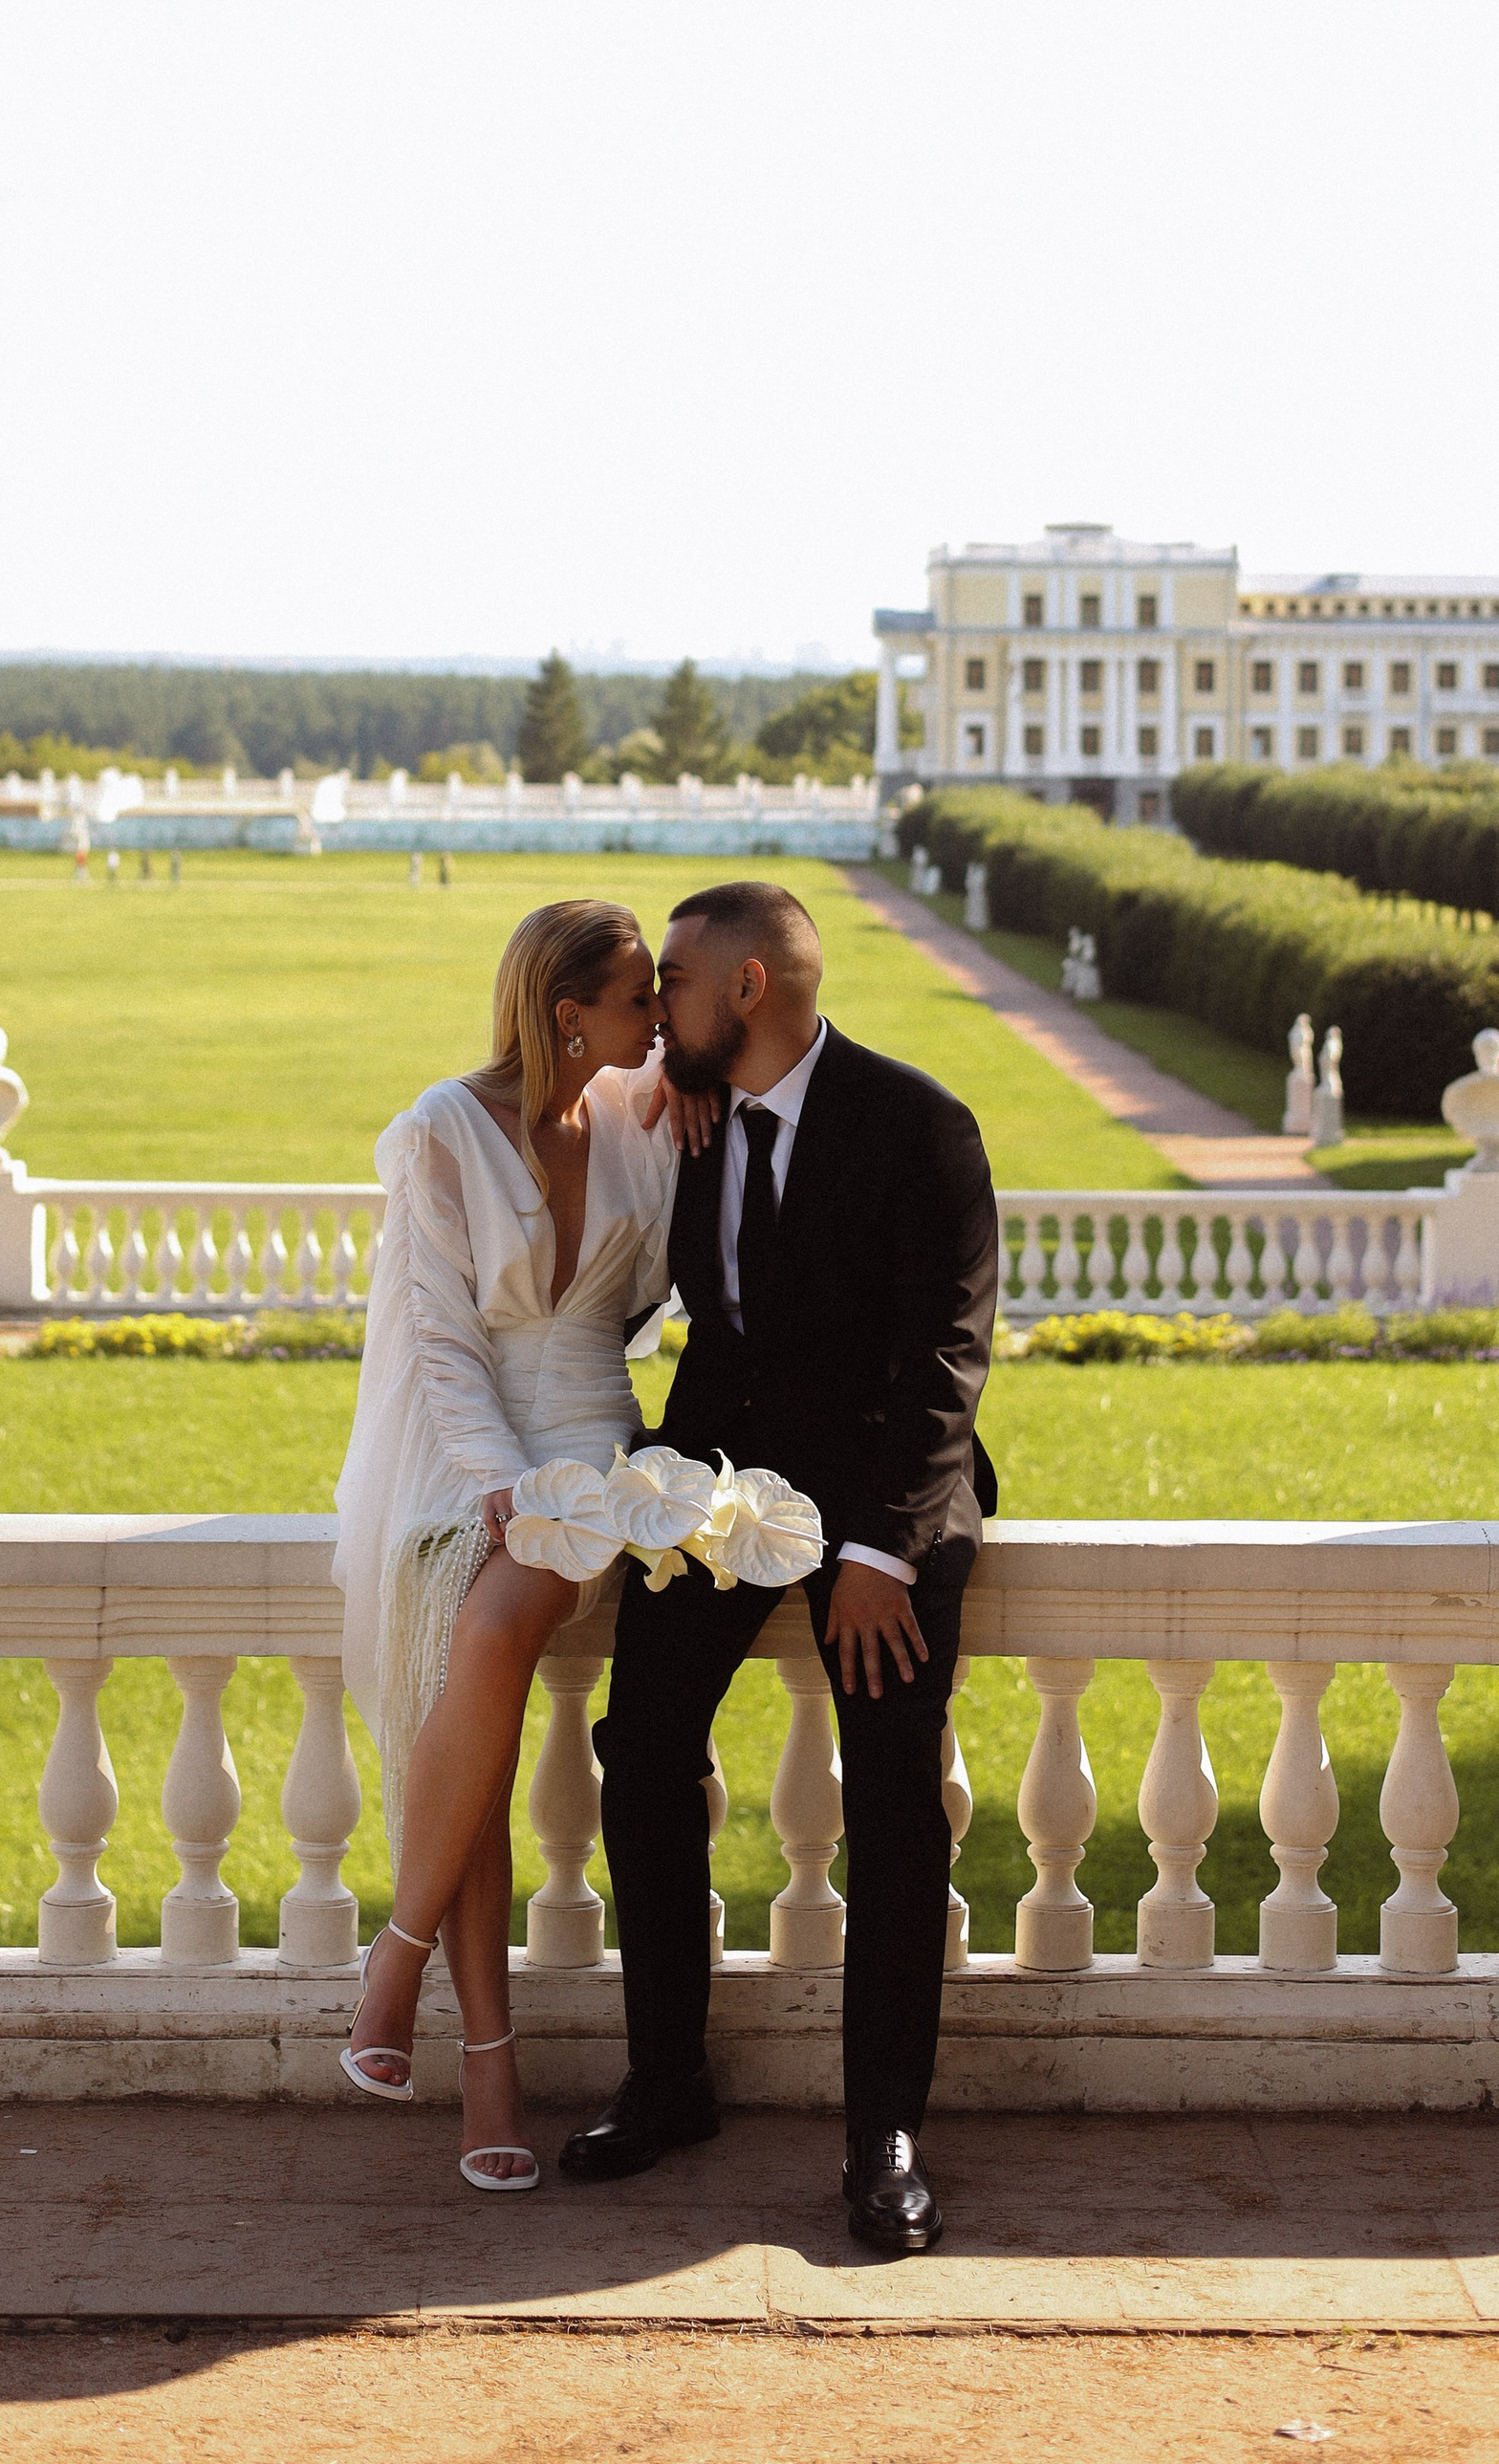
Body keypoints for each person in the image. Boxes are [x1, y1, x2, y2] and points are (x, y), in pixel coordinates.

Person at [561, 879, 997, 2257]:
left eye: (673, 984)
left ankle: (884, 2134)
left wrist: (879, 1546)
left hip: (884, 1492)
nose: (655, 1009)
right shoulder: (688, 1114)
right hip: (719, 1483)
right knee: (637, 1745)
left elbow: (947, 1358)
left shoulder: (920, 1124)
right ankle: (669, 2079)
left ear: (748, 988)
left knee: (893, 1791)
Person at [332, 899, 708, 2192]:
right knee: (467, 1686)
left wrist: (687, 1101)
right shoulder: (441, 1128)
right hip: (463, 1444)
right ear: (570, 1014)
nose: (658, 1016)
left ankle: (396, 1961)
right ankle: (486, 2063)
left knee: (491, 1629)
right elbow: (437, 1340)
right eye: (635, 998)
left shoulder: (642, 1112)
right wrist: (495, 1483)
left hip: (601, 1440)